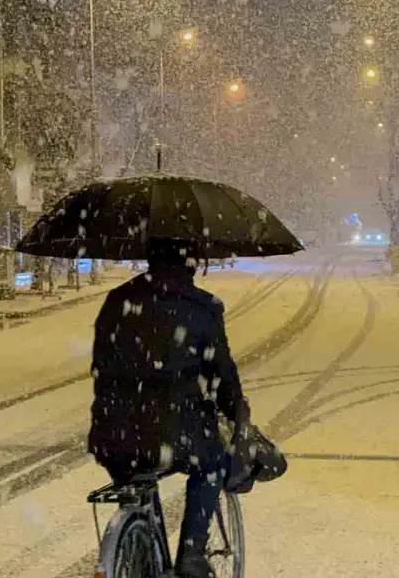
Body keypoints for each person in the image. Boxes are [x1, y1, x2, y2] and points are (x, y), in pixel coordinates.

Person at [87, 239, 251, 578]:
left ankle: (139, 547)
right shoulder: (202, 307)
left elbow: (101, 366)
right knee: (211, 466)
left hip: (113, 430)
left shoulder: (117, 301)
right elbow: (222, 376)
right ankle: (191, 555)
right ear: (192, 263)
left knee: (136, 476)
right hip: (179, 428)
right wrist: (237, 416)